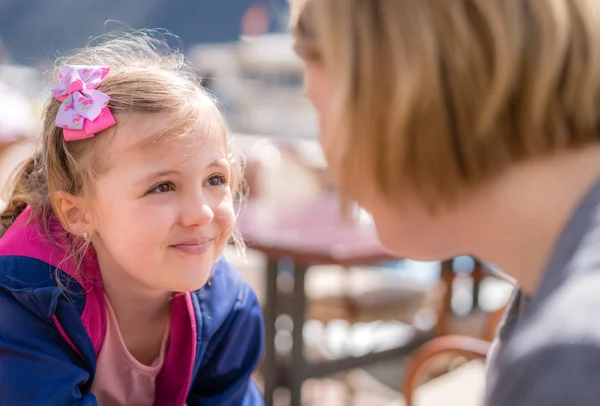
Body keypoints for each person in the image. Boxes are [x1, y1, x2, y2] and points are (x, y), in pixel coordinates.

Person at [291, 0, 600, 405]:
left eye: (320, 110)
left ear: (399, 95)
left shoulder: (570, 360)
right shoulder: (548, 293)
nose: (328, 158)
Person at [0, 32, 264, 406]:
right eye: (162, 187)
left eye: (215, 180)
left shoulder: (227, 309)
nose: (201, 212)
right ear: (77, 213)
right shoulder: (25, 303)